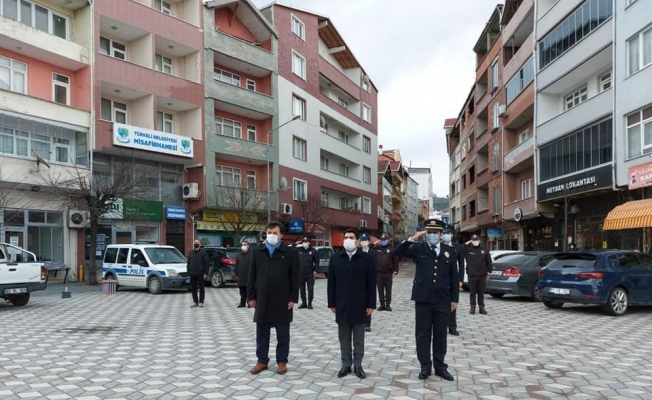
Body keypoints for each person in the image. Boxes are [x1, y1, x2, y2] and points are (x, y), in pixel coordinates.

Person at [393, 219, 459, 381]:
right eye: (429, 232)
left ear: (441, 234)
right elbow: (397, 251)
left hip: (443, 299)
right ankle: (425, 366)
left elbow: (453, 277)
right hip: (422, 298)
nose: (432, 235)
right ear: (425, 233)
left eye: (435, 232)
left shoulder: (449, 251)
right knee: (422, 334)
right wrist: (413, 237)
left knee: (440, 334)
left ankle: (440, 367)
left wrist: (455, 299)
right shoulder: (417, 248)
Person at [247, 222, 301, 375]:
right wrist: (250, 296)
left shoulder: (290, 253)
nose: (271, 235)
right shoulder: (258, 251)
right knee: (262, 334)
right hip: (262, 299)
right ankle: (262, 361)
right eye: (269, 232)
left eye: (275, 233)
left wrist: (293, 298)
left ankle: (282, 362)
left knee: (283, 334)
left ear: (281, 235)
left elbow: (295, 277)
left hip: (283, 300)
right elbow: (252, 275)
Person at [328, 229, 377, 379]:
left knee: (358, 337)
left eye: (351, 237)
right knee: (343, 337)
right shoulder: (335, 259)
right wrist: (332, 303)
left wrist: (371, 304)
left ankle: (358, 365)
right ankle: (345, 364)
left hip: (360, 304)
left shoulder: (367, 259)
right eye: (346, 237)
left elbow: (371, 283)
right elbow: (331, 283)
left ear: (357, 241)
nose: (348, 240)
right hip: (341, 303)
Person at [441, 224, 464, 336]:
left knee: (453, 302)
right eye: (444, 233)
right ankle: (440, 325)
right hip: (442, 278)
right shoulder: (438, 246)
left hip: (453, 279)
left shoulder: (458, 248)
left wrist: (460, 279)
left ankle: (452, 326)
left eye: (448, 233)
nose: (446, 235)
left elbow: (461, 264)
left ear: (452, 234)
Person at [464, 234, 492, 315]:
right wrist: (468, 242)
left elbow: (489, 263)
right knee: (472, 293)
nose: (475, 241)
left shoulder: (484, 250)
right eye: (473, 240)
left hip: (482, 275)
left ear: (479, 240)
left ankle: (481, 307)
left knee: (481, 292)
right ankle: (472, 307)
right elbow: (461, 248)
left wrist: (489, 273)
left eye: (476, 239)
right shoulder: (468, 250)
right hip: (472, 275)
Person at [373, 233, 399, 311]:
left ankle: (388, 305)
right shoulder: (377, 248)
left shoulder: (392, 249)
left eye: (385, 240)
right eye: (382, 240)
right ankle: (382, 305)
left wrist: (395, 271)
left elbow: (396, 261)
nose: (383, 241)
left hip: (388, 273)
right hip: (379, 273)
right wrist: (374, 244)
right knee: (380, 290)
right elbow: (368, 250)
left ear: (388, 240)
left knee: (388, 290)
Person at [359, 234, 378, 332]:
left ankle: (367, 324)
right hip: (359, 281)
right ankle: (360, 322)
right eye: (362, 240)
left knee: (369, 301)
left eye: (365, 240)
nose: (364, 242)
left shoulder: (373, 253)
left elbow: (375, 266)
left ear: (369, 241)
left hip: (370, 280)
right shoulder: (357, 252)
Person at [296, 237, 319, 309]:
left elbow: (317, 261)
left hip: (310, 273)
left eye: (306, 241)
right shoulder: (299, 250)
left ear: (309, 242)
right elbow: (290, 249)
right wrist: (295, 244)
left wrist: (316, 270)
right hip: (301, 273)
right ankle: (304, 303)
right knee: (302, 289)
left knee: (310, 289)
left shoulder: (313, 250)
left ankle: (310, 303)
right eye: (303, 241)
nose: (305, 243)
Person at [187, 239, 209, 308]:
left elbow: (207, 263)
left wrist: (206, 273)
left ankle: (201, 302)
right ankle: (195, 301)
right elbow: (188, 264)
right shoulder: (191, 253)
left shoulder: (203, 253)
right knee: (193, 288)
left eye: (197, 243)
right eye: (194, 243)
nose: (195, 244)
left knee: (201, 288)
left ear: (200, 244)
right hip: (192, 273)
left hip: (201, 273)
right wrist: (188, 273)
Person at [236, 240, 252, 308]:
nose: (243, 246)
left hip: (249, 275)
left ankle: (249, 303)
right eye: (242, 245)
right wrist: (236, 273)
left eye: (245, 245)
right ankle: (242, 303)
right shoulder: (239, 255)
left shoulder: (252, 254)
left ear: (248, 246)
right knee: (242, 291)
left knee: (249, 290)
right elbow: (236, 265)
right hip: (241, 275)